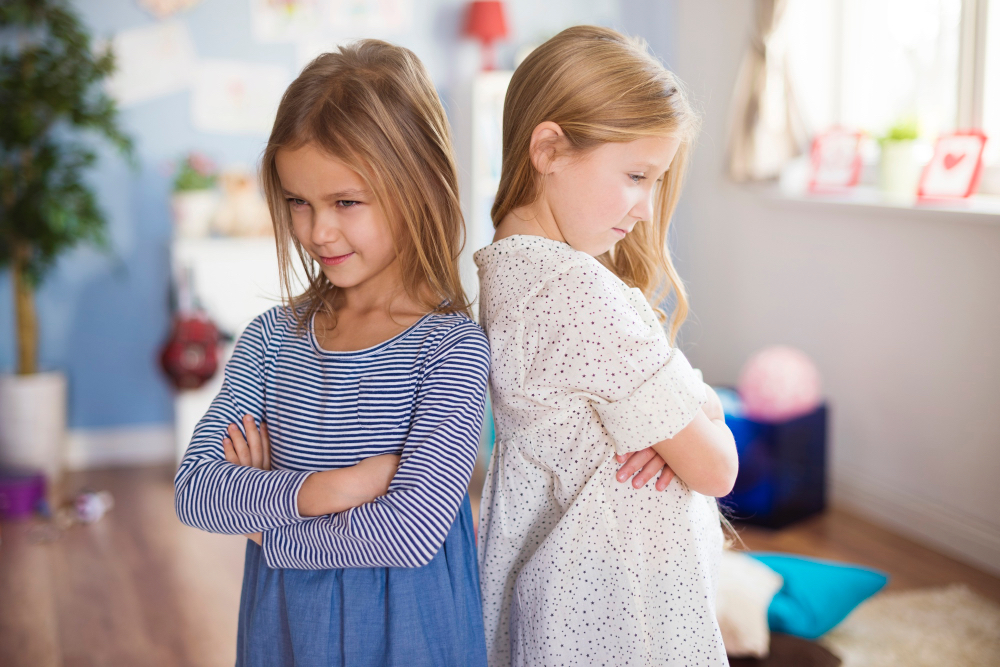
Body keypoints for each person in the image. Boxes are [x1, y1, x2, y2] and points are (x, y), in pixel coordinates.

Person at [174, 40, 488, 667]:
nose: (317, 231)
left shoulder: (452, 350)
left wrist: (268, 519)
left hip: (412, 639)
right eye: (298, 202)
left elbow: (411, 529)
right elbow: (194, 489)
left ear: (419, 185)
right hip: (286, 633)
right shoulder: (269, 339)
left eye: (346, 202)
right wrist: (330, 489)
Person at [475, 26, 738, 666]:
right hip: (619, 598)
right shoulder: (580, 292)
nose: (647, 208)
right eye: (635, 175)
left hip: (560, 582)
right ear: (550, 148)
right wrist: (704, 404)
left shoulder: (504, 270)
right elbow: (717, 468)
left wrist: (677, 417)